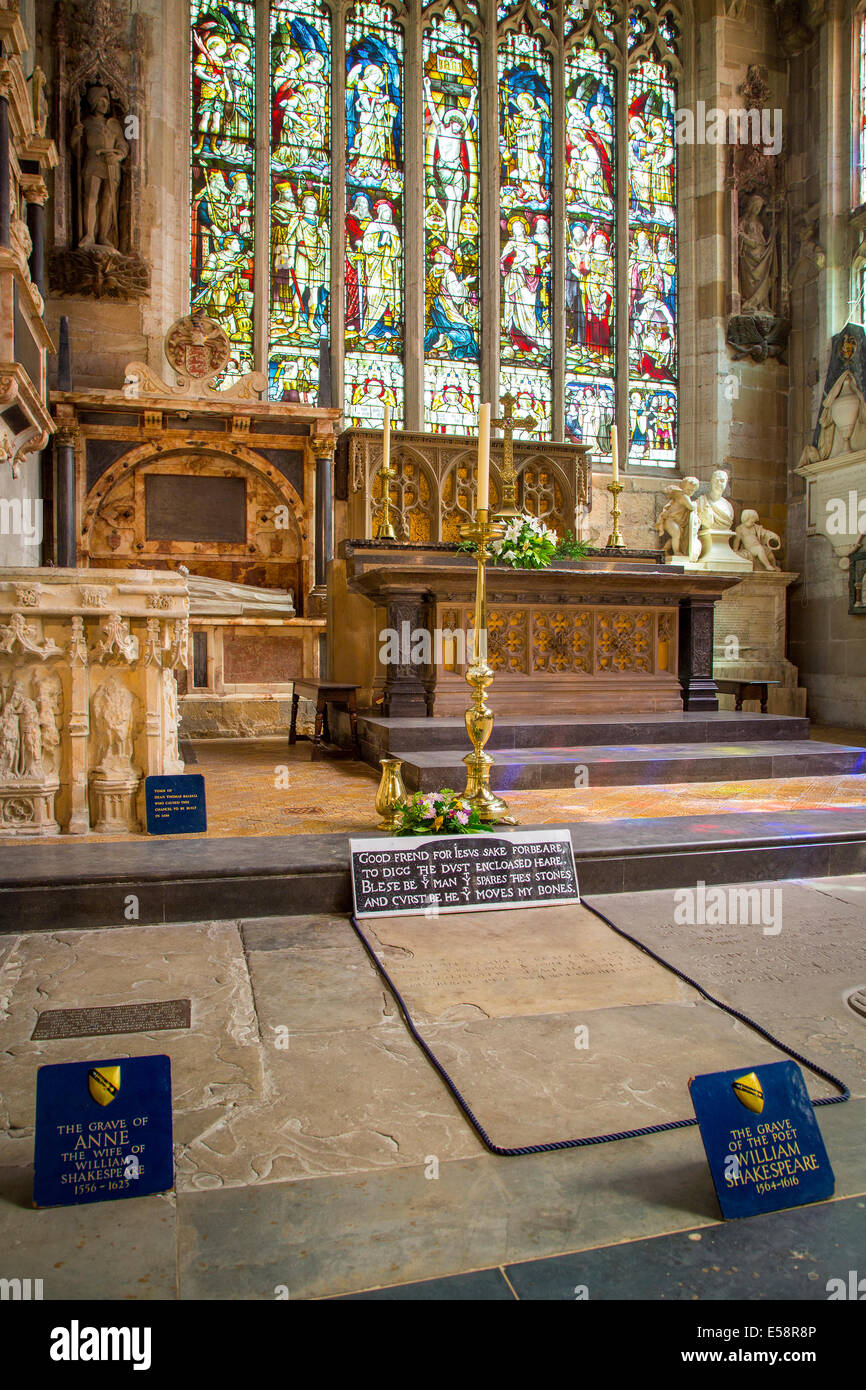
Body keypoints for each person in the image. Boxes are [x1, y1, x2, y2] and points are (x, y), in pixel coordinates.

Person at [71, 85, 129, 249]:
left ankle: (103, 235)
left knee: (108, 201)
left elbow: (123, 144)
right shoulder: (86, 123)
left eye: (106, 100)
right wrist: (75, 136)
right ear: (93, 102)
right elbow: (77, 151)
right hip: (93, 162)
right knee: (91, 198)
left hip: (111, 165)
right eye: (100, 100)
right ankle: (89, 234)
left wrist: (118, 155)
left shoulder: (114, 124)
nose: (104, 104)